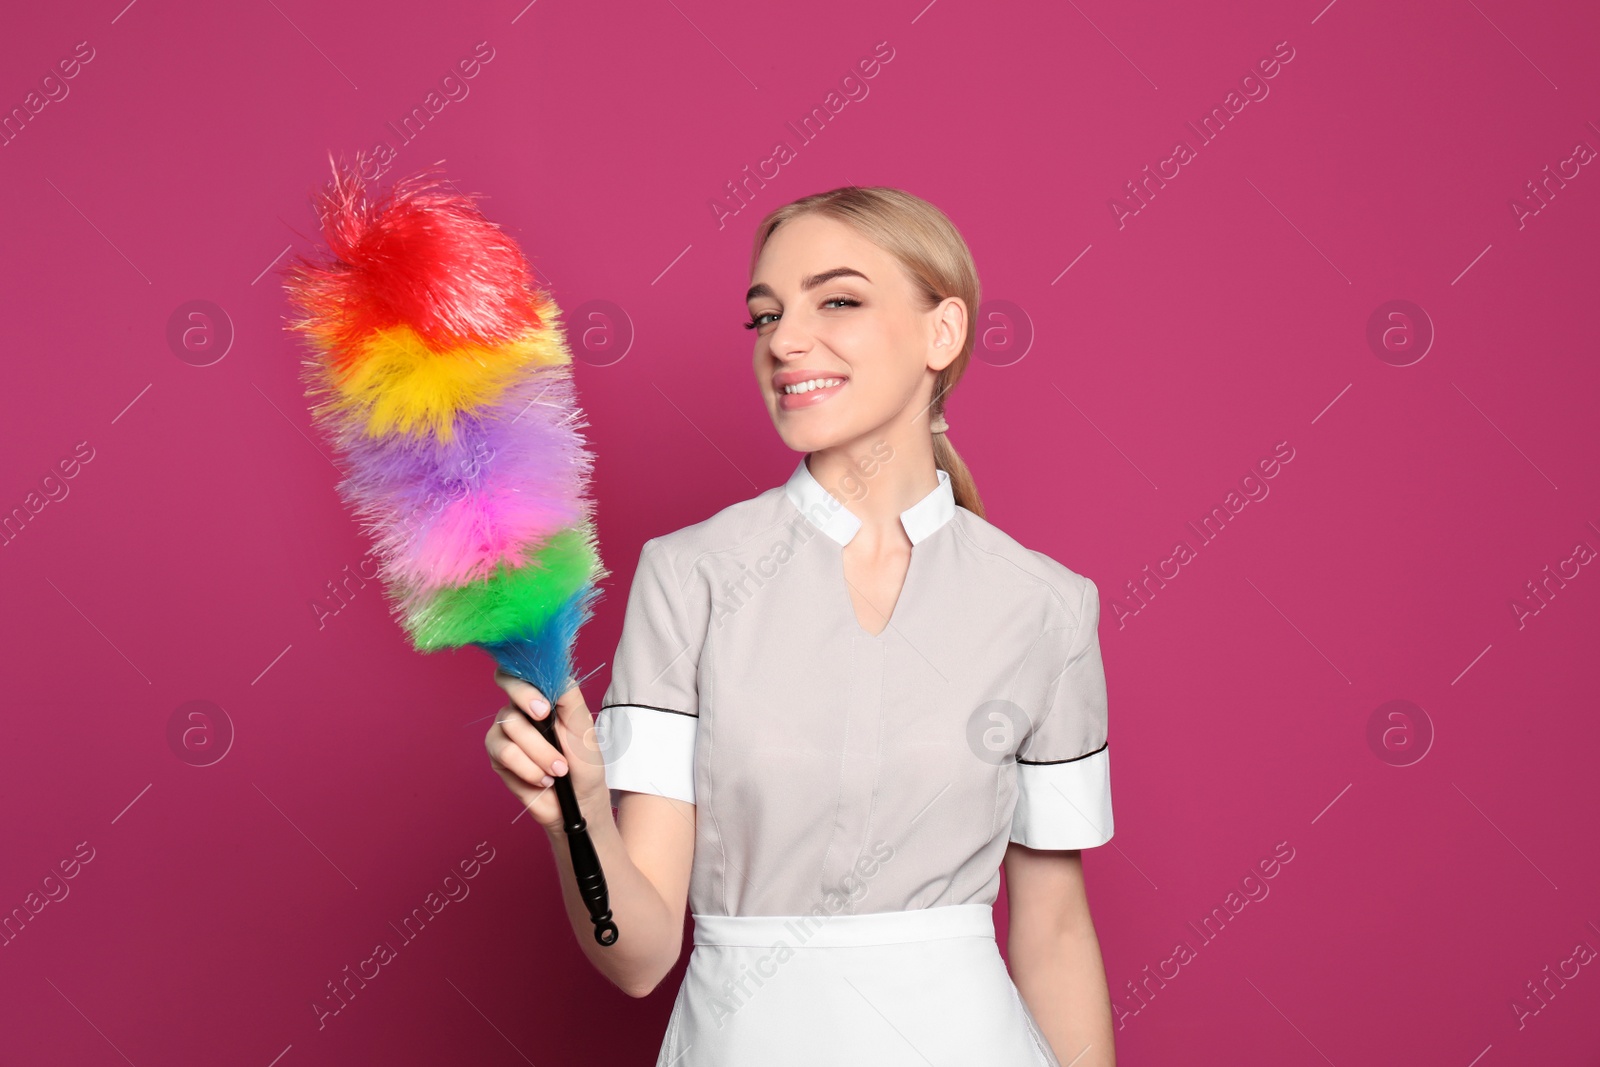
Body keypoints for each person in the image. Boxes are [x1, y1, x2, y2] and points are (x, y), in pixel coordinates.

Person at [485, 186, 1117, 1066]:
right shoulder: (688, 577)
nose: (784, 340)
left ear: (943, 333)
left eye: (840, 301)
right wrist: (578, 814)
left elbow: (1053, 933)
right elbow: (640, 957)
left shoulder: (1047, 605)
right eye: (765, 315)